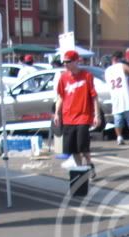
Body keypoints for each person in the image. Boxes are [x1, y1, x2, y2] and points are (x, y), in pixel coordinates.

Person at [53, 50, 100, 178]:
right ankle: (80, 170)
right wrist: (57, 113)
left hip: (83, 116)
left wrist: (97, 115)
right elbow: (60, 97)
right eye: (64, 62)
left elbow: (94, 97)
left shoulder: (87, 76)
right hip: (68, 117)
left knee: (82, 147)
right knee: (72, 148)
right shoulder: (63, 77)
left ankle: (89, 164)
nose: (65, 64)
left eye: (68, 62)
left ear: (76, 61)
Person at [105, 51, 129, 145]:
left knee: (118, 118)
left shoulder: (107, 70)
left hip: (115, 95)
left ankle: (119, 137)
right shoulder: (121, 66)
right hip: (125, 95)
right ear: (118, 58)